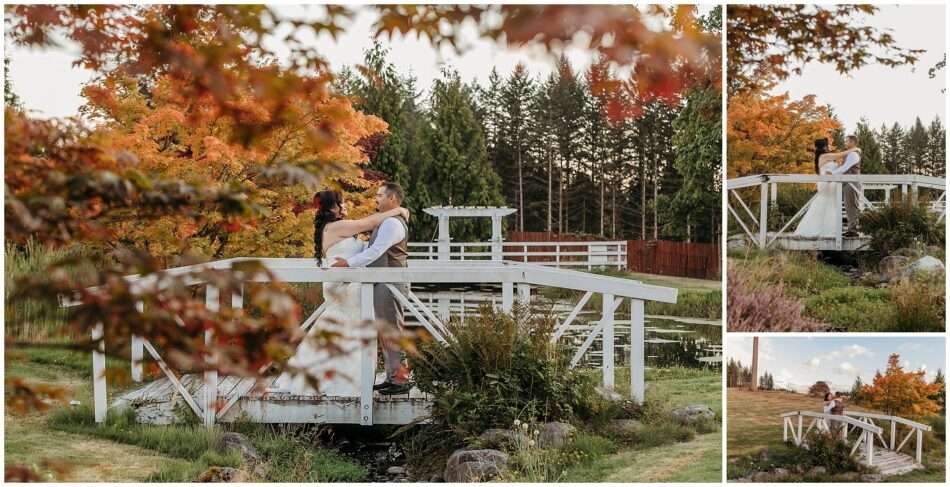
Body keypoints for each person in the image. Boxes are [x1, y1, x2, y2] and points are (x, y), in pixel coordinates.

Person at [273, 189, 409, 397]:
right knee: (351, 328)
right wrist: (399, 210)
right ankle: (345, 383)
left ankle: (344, 378)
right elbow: (370, 223)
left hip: (346, 282)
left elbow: (367, 249)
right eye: (342, 203)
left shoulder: (336, 227)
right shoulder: (336, 227)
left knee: (345, 329)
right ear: (332, 208)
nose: (345, 207)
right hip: (344, 283)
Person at [332, 182, 412, 395]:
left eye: (379, 195)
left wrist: (348, 264)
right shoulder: (385, 221)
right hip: (381, 282)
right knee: (385, 331)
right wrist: (348, 259)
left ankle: (401, 381)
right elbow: (371, 249)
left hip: (390, 283)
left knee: (393, 330)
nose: (375, 198)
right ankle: (392, 376)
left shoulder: (392, 224)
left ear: (392, 199)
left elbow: (376, 251)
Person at [793, 138, 861, 238]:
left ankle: (830, 229)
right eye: (828, 145)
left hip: (831, 183)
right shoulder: (824, 156)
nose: (829, 146)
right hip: (827, 183)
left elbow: (841, 165)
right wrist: (856, 149)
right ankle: (820, 230)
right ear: (824, 147)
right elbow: (840, 155)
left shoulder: (824, 157)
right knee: (825, 202)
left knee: (831, 204)